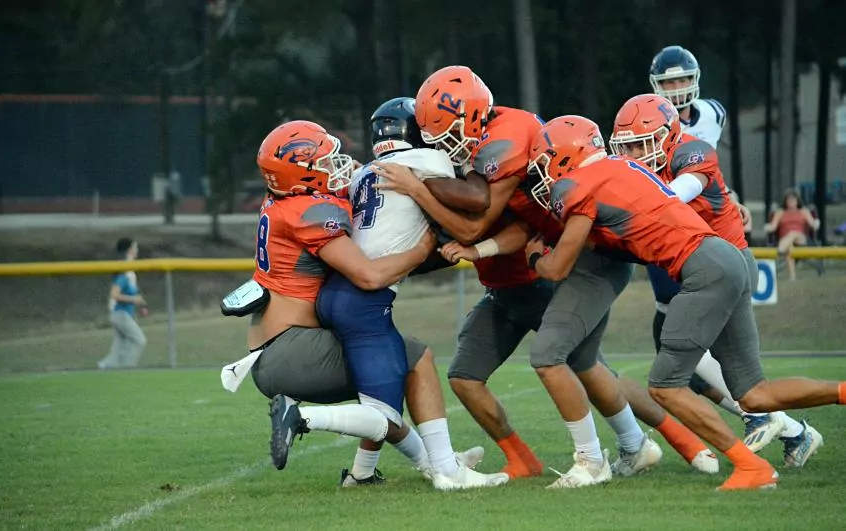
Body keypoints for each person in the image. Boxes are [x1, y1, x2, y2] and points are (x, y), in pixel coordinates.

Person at [373, 65, 715, 488]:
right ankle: (533, 457)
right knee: (472, 374)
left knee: (585, 366)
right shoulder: (467, 158)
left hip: (564, 264)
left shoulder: (507, 137)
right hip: (509, 279)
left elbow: (476, 222)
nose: (442, 146)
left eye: (446, 135)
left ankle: (668, 444)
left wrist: (417, 186)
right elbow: (486, 231)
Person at [527, 113, 846, 490]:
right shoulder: (625, 168)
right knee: (754, 394)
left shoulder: (579, 184)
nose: (541, 174)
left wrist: (535, 257)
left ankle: (752, 468)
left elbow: (557, 268)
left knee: (665, 386)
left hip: (703, 270)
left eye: (544, 162)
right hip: (728, 258)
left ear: (564, 155)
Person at [219, 119, 505, 491]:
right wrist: (421, 248)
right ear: (300, 174)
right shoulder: (309, 211)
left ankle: (403, 468)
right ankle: (443, 467)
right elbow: (369, 275)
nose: (336, 166)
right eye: (324, 162)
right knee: (411, 360)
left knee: (385, 384)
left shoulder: (283, 201)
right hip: (293, 350)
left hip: (279, 346)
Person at [609, 93, 824, 467]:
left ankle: (766, 423)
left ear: (666, 135)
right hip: (695, 271)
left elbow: (674, 196)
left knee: (680, 368)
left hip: (724, 267)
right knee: (694, 375)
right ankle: (793, 431)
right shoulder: (648, 166)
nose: (633, 155)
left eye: (640, 145)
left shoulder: (693, 151)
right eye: (626, 147)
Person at [319, 97, 507, 490]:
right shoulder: (428, 160)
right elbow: (475, 201)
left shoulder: (363, 173)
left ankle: (379, 471)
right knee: (382, 412)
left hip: (337, 291)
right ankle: (446, 472)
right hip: (365, 299)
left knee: (417, 360)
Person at [97, 237, 147, 370]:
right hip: (120, 314)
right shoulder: (124, 270)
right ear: (129, 250)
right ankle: (127, 369)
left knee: (117, 351)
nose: (137, 250)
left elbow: (131, 293)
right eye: (135, 247)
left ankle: (105, 367)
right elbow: (114, 294)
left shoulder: (130, 271)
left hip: (123, 314)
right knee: (139, 340)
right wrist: (134, 300)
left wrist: (140, 305)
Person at [765, 188, 820, 281]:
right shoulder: (780, 212)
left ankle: (780, 251)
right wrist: (767, 227)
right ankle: (792, 277)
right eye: (789, 200)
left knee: (793, 233)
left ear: (797, 201)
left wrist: (816, 223)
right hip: (785, 240)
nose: (791, 202)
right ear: (785, 201)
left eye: (793, 200)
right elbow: (773, 227)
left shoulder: (804, 211)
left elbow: (813, 225)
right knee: (789, 248)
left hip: (801, 239)